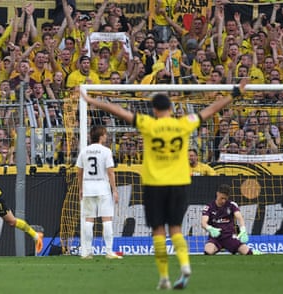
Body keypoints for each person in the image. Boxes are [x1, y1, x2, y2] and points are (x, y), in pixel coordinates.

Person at [81, 78, 248, 290]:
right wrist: (234, 93)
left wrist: (92, 100)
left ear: (153, 110)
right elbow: (211, 109)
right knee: (176, 229)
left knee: (158, 231)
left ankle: (164, 277)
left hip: (155, 185)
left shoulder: (148, 124)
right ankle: (185, 265)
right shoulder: (183, 123)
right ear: (170, 108)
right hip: (178, 184)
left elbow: (118, 111)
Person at [76, 125, 121, 260]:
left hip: (88, 188)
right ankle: (108, 251)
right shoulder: (106, 151)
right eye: (105, 134)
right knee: (106, 219)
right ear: (101, 136)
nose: (106, 136)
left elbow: (79, 172)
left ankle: (87, 252)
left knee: (89, 220)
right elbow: (110, 172)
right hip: (103, 188)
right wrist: (114, 190)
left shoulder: (84, 151)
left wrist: (80, 188)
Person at [201, 184, 260, 255]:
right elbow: (203, 223)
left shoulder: (231, 205)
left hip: (229, 237)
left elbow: (240, 218)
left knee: (248, 252)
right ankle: (218, 248)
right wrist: (210, 228)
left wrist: (243, 229)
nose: (223, 201)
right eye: (221, 198)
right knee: (208, 251)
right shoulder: (209, 207)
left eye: (225, 199)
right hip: (215, 238)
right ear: (217, 194)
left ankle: (235, 248)